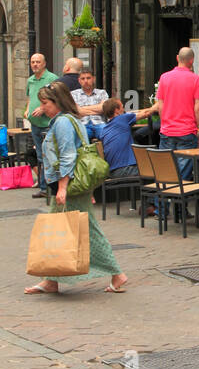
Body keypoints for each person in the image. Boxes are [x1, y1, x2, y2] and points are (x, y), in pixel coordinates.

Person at [24, 82, 128, 296]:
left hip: (68, 185)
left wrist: (63, 187)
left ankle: (116, 274)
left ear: (58, 102)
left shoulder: (63, 122)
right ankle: (51, 279)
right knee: (75, 226)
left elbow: (68, 155)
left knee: (83, 229)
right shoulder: (72, 119)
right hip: (72, 185)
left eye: (45, 103)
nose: (43, 108)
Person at [152, 47, 199, 180]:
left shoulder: (164, 78)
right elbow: (198, 107)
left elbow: (160, 105)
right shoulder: (195, 79)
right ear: (192, 61)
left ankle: (163, 199)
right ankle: (176, 198)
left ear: (177, 58)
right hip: (187, 131)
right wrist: (198, 127)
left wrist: (164, 123)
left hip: (167, 130)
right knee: (183, 172)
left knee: (166, 168)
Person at [25, 52, 60, 197]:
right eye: (33, 62)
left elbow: (57, 99)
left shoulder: (52, 79)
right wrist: (27, 110)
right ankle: (44, 187)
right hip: (35, 124)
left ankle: (52, 187)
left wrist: (43, 108)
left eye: (38, 62)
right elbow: (29, 98)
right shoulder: (30, 80)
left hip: (48, 123)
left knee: (50, 155)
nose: (35, 64)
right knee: (40, 155)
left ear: (44, 63)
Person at [98, 98, 159, 178]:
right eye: (122, 107)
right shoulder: (122, 119)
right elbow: (146, 113)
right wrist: (160, 103)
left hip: (111, 172)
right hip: (125, 169)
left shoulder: (104, 130)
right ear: (116, 110)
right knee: (160, 168)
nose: (124, 109)